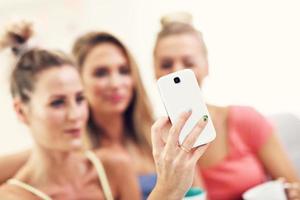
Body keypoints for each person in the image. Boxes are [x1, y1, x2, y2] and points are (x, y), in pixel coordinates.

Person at [152, 12, 300, 200]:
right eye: (166, 64)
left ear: (206, 66)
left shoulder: (246, 119)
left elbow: (294, 187)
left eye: (189, 62)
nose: (177, 70)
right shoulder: (156, 142)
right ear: (154, 71)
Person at [0, 21, 140, 200]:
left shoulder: (115, 168)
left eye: (80, 99)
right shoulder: (13, 196)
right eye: (57, 103)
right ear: (21, 111)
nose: (75, 115)